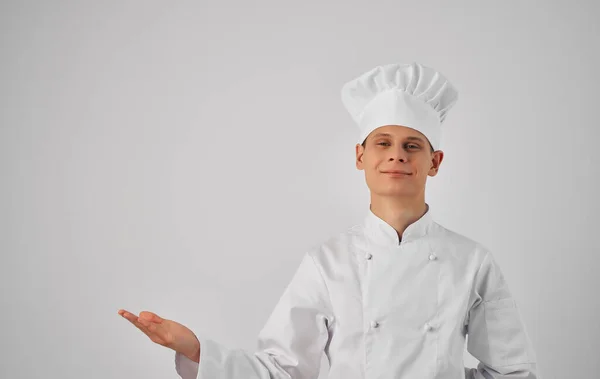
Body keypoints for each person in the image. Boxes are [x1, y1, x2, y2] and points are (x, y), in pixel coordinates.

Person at [118, 62, 540, 379]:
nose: (397, 155)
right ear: (361, 156)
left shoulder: (472, 262)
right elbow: (282, 371)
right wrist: (197, 351)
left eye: (413, 145)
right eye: (383, 143)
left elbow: (513, 371)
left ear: (435, 162)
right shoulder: (328, 261)